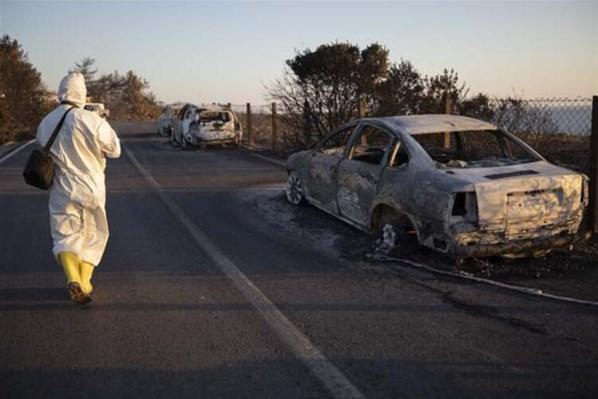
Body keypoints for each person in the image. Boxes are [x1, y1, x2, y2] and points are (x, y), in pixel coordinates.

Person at [36, 72, 120, 305]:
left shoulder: (46, 122)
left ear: (61, 93)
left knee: (64, 234)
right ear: (82, 94)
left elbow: (42, 149)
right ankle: (85, 281)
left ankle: (72, 277)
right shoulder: (91, 120)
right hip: (91, 186)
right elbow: (115, 150)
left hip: (62, 187)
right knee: (95, 234)